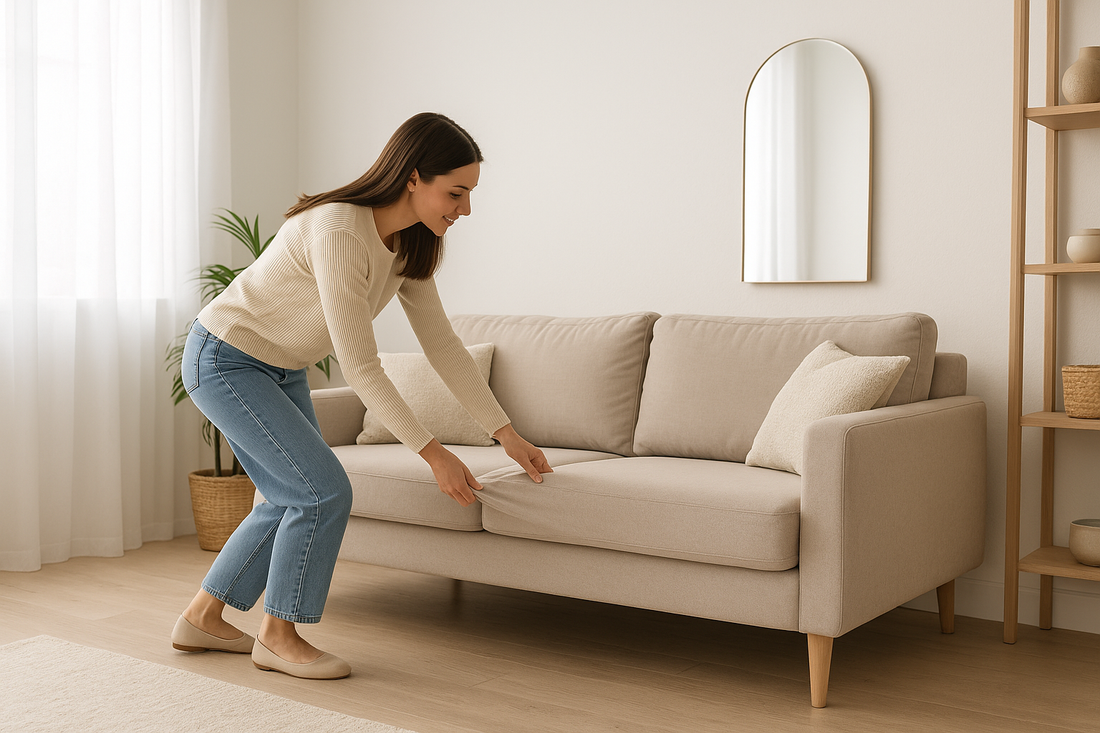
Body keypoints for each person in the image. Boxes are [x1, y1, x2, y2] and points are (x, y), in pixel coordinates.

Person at [170, 112, 552, 680]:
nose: (465, 209)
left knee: (286, 497)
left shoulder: (412, 245)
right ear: (413, 178)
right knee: (321, 493)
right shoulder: (339, 230)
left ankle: (203, 618)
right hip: (227, 357)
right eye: (456, 192)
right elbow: (361, 365)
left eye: (469, 193)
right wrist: (433, 453)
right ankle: (278, 635)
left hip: (282, 366)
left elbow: (444, 345)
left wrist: (507, 434)